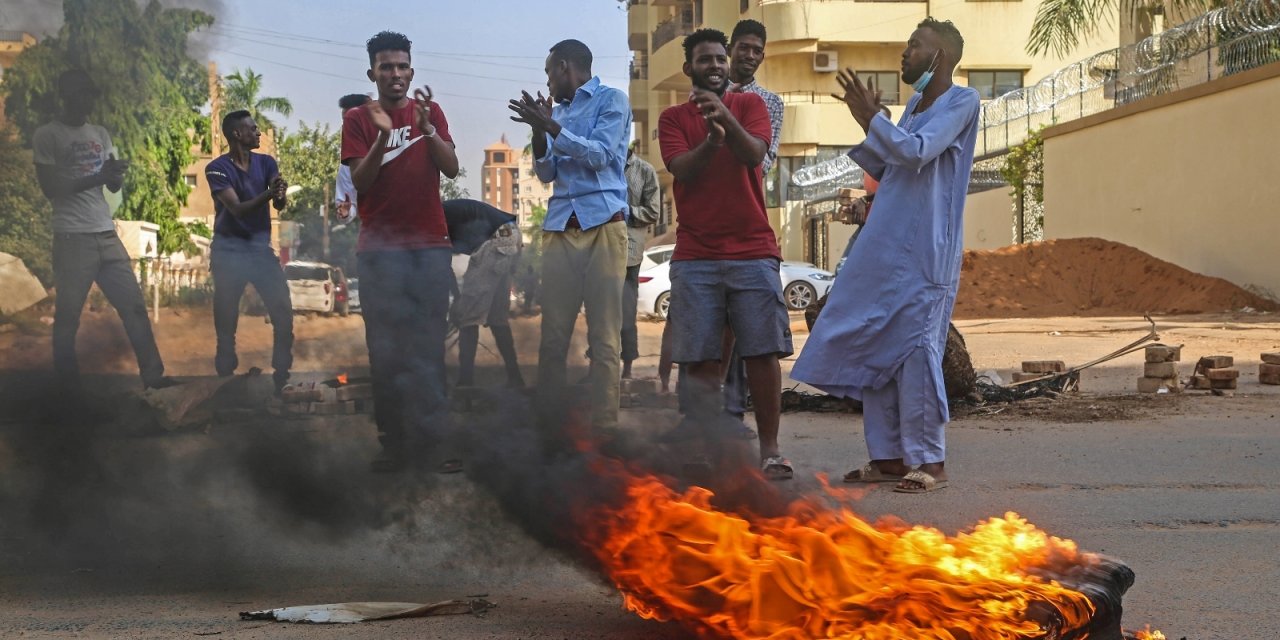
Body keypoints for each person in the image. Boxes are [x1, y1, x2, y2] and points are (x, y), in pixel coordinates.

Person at [790, 18, 981, 494]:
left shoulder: (963, 101)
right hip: (885, 249)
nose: (905, 53)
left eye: (915, 46)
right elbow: (889, 162)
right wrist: (868, 122)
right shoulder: (916, 104)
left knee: (917, 351)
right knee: (876, 346)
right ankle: (889, 458)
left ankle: (929, 461)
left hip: (925, 254)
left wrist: (874, 120)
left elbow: (916, 153)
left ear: (943, 56)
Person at [657, 29, 793, 480]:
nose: (715, 65)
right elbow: (682, 170)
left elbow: (754, 154)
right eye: (705, 59)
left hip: (753, 249)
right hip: (695, 254)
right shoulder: (672, 118)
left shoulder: (751, 106)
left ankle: (770, 450)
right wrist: (711, 140)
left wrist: (726, 123)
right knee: (698, 357)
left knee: (762, 352)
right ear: (689, 69)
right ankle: (703, 447)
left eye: (720, 58)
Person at [342, 31, 460, 472]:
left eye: (402, 66)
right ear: (371, 72)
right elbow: (360, 182)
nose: (395, 74)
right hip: (379, 254)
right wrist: (381, 137)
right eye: (386, 67)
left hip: (430, 248)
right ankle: (394, 444)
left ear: (412, 71)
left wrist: (427, 129)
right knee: (386, 351)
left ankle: (435, 443)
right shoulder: (358, 117)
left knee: (428, 349)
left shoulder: (430, 112)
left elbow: (450, 168)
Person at [508, 39, 631, 433]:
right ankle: (550, 425)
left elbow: (600, 156)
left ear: (564, 67)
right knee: (552, 337)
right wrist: (539, 130)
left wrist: (551, 126)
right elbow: (546, 174)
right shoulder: (554, 114)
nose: (547, 80)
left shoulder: (612, 100)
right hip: (561, 228)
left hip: (604, 227)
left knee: (605, 339)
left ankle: (605, 429)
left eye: (548, 72)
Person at [33, 69, 172, 392]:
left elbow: (111, 184)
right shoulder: (48, 135)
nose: (88, 100)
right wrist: (98, 177)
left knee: (135, 307)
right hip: (72, 238)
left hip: (106, 233)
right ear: (66, 95)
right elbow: (50, 188)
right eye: (83, 93)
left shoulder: (100, 133)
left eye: (90, 94)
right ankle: (68, 390)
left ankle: (153, 376)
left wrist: (114, 175)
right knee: (68, 318)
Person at [206, 110, 293, 393]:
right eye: (253, 129)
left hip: (258, 250)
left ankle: (282, 373)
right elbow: (238, 209)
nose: (259, 133)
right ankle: (225, 374)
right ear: (236, 134)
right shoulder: (217, 168)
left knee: (282, 310)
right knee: (226, 318)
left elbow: (278, 206)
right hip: (228, 252)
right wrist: (270, 194)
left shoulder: (266, 162)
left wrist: (279, 194)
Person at [442, 198, 525, 389]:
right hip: (511, 234)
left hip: (498, 240)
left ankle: (465, 381)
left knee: (468, 319)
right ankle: (515, 378)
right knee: (497, 319)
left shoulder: (435, 218)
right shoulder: (444, 212)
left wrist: (458, 300)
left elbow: (443, 264)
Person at [620, 144, 661, 379]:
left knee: (626, 313)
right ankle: (599, 367)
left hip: (629, 254)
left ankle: (626, 369)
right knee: (601, 313)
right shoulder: (603, 165)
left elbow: (653, 212)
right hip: (603, 250)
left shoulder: (645, 171)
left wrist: (624, 211)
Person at [334, 93, 371, 224]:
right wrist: (346, 212)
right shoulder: (347, 166)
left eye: (352, 122)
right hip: (378, 234)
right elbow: (349, 204)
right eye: (345, 123)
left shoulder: (396, 137)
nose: (348, 128)